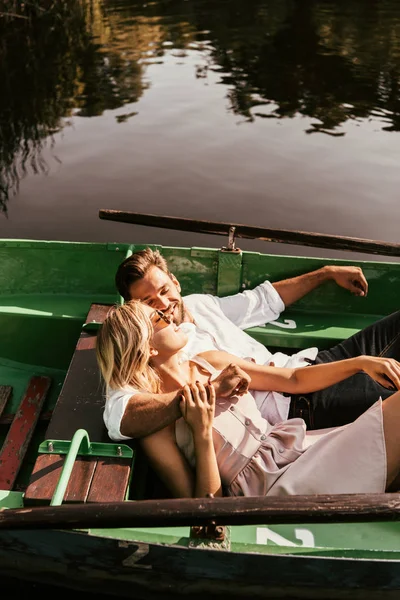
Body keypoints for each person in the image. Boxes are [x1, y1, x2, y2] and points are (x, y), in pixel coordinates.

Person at [96, 301, 400, 498]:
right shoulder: (156, 426)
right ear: (147, 349)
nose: (168, 313)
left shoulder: (210, 361)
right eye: (159, 319)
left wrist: (360, 362)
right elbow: (200, 507)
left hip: (296, 447)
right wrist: (201, 434)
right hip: (271, 489)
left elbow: (294, 379)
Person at [114, 248, 400, 433]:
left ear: (175, 282)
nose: (164, 304)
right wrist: (199, 394)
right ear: (135, 310)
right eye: (149, 302)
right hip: (300, 406)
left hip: (310, 365)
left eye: (165, 290)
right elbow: (118, 416)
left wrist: (325, 274)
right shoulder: (152, 351)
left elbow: (261, 301)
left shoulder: (198, 304)